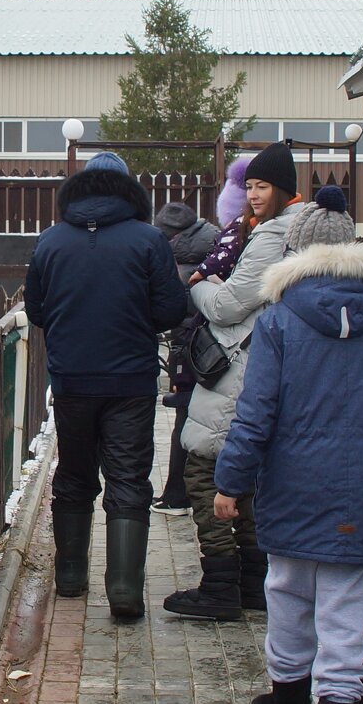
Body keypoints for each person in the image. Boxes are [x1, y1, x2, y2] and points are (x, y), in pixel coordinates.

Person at [213, 187, 363, 704]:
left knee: (286, 593)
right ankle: (340, 693)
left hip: (292, 489)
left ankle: (287, 691)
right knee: (347, 605)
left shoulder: (279, 321)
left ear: (299, 255)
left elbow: (255, 414)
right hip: (360, 493)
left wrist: (230, 483)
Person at [24, 151, 187, 619]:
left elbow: (36, 310)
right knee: (128, 478)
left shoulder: (51, 241)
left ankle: (71, 577)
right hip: (130, 382)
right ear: (127, 191)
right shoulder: (149, 240)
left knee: (74, 474)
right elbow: (171, 309)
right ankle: (124, 592)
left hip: (72, 380)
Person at [167, 142, 304, 620]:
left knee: (204, 470)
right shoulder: (297, 231)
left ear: (284, 189)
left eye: (262, 186)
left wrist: (200, 282)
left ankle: (220, 586)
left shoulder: (271, 236)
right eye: (249, 186)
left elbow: (227, 306)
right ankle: (251, 584)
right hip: (265, 364)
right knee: (243, 478)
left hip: (239, 370)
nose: (253, 196)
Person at [151, 200, 219, 515]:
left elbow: (173, 306)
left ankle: (178, 495)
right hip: (212, 347)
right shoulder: (215, 246)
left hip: (192, 348)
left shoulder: (182, 264)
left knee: (184, 416)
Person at [189, 156, 250, 284]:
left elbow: (225, 254)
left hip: (228, 283)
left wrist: (201, 271)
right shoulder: (241, 227)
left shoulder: (236, 229)